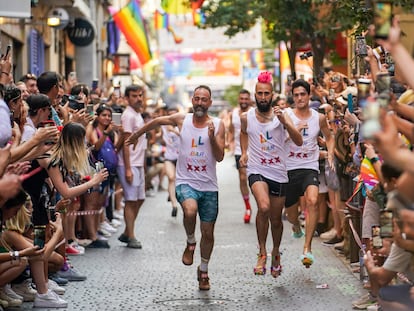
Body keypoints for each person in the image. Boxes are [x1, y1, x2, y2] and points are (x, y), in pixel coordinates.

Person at [126, 85, 225, 291]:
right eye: (196, 98)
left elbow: (220, 156)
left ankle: (204, 271)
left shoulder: (217, 124)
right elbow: (157, 121)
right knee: (190, 210)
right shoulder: (183, 119)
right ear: (192, 100)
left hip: (209, 186)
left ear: (209, 103)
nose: (199, 102)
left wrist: (213, 137)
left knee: (208, 233)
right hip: (185, 181)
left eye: (203, 99)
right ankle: (190, 242)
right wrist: (137, 134)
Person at [239, 72, 302, 278]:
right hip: (257, 169)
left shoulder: (284, 115)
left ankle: (275, 252)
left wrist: (285, 121)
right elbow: (243, 133)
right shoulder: (246, 117)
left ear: (272, 94)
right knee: (263, 207)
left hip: (278, 172)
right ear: (254, 95)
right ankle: (262, 251)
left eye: (266, 93)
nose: (263, 97)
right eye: (259, 93)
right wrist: (245, 152)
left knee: (276, 220)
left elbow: (298, 141)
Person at [284, 79, 335, 267]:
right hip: (289, 168)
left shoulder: (318, 117)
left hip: (309, 166)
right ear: (293, 97)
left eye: (302, 94)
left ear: (309, 96)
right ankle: (296, 226)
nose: (299, 98)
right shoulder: (286, 115)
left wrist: (329, 155)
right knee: (290, 214)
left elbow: (329, 138)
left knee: (313, 200)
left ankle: (307, 248)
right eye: (296, 95)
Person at [116, 85, 147, 249]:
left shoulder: (137, 114)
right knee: (131, 200)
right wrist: (128, 168)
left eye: (140, 95)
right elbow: (126, 143)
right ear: (127, 98)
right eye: (134, 96)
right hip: (129, 163)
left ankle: (127, 232)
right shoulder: (128, 115)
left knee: (140, 198)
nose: (138, 98)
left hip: (138, 163)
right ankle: (131, 236)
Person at [228, 89, 253, 223]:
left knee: (255, 181)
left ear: (249, 100)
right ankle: (248, 207)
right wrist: (229, 142)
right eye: (241, 99)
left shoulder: (254, 113)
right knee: (243, 178)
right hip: (239, 151)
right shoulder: (234, 114)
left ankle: (262, 204)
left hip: (255, 152)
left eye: (246, 99)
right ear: (239, 100)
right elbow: (231, 130)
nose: (243, 101)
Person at [160, 107, 180, 217]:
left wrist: (174, 131)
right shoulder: (163, 125)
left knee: (179, 181)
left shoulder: (182, 126)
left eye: (174, 115)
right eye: (170, 115)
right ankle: (174, 205)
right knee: (171, 178)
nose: (172, 117)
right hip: (169, 157)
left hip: (181, 158)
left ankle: (171, 193)